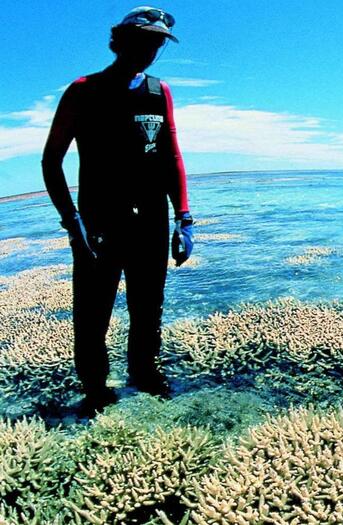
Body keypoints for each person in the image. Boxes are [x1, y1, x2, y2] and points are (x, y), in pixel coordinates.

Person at [42, 6, 194, 416]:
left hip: (151, 222)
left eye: (158, 43)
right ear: (119, 41)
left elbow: (171, 157)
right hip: (98, 223)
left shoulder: (159, 93)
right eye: (143, 40)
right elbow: (51, 160)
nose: (151, 49)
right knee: (93, 313)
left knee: (149, 307)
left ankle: (144, 373)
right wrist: (74, 224)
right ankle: (95, 389)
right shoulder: (84, 89)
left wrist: (183, 218)